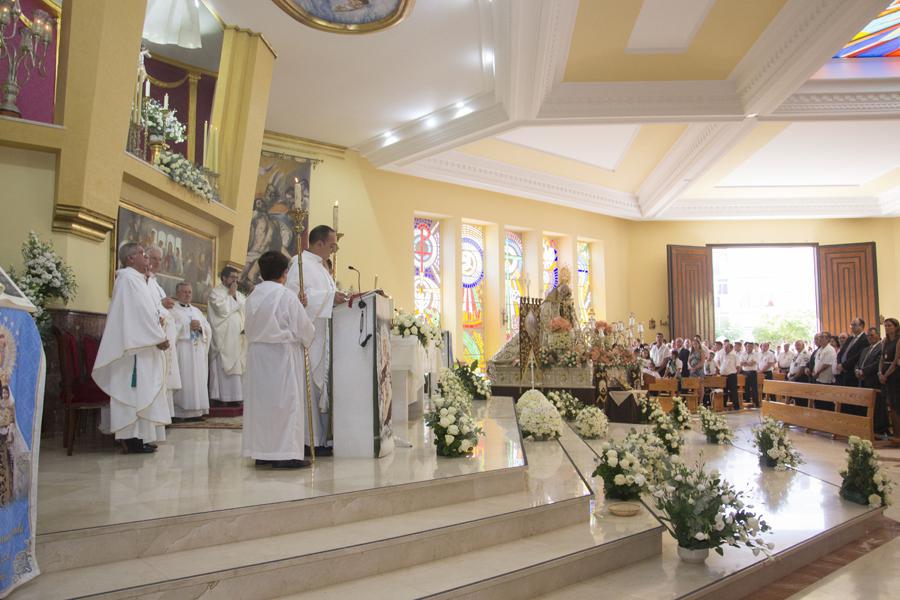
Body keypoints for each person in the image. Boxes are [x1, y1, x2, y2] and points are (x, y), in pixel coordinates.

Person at [92, 243, 171, 454]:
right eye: (143, 255)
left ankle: (141, 436)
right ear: (130, 259)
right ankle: (130, 437)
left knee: (141, 390)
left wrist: (160, 322)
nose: (147, 259)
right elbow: (137, 314)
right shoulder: (127, 279)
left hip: (143, 345)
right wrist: (157, 337)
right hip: (133, 348)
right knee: (132, 390)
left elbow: (149, 310)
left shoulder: (140, 281)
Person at [242, 251, 315, 469]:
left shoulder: (252, 296)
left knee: (261, 406)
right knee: (285, 404)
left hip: (257, 357)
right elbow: (304, 329)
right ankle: (285, 454)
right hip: (281, 356)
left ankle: (263, 452)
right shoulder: (286, 296)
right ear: (284, 273)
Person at [286, 225, 349, 456]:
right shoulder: (299, 265)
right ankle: (308, 440)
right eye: (332, 244)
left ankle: (322, 439)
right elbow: (295, 298)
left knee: (321, 389)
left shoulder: (320, 267)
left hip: (325, 336)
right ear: (319, 243)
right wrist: (330, 298)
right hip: (311, 337)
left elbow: (321, 296)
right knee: (310, 388)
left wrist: (335, 297)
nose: (335, 249)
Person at [146, 245, 180, 440]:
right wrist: (161, 304)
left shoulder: (155, 284)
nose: (157, 263)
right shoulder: (140, 282)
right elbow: (146, 308)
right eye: (153, 258)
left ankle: (157, 428)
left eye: (159, 259)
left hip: (161, 340)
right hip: (152, 341)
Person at [171, 282, 212, 420]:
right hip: (183, 350)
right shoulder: (173, 310)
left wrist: (201, 329)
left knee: (198, 378)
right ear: (178, 294)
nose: (188, 294)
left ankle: (196, 411)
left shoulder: (197, 311)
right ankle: (180, 412)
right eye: (184, 292)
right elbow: (170, 329)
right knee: (184, 378)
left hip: (197, 349)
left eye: (189, 292)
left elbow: (207, 329)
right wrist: (186, 328)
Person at [208, 267, 246, 405]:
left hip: (237, 338)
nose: (235, 280)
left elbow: (244, 310)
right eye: (232, 277)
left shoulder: (239, 295)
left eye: (236, 277)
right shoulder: (215, 293)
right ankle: (222, 398)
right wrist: (231, 294)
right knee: (223, 366)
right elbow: (222, 311)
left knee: (238, 365)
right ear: (223, 278)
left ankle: (237, 397)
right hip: (223, 339)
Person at [855, 327, 885, 435]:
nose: (870, 337)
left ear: (878, 335)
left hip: (873, 380)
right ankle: (866, 427)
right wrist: (857, 371)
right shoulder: (865, 349)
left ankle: (878, 429)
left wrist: (863, 371)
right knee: (864, 405)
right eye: (868, 336)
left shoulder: (881, 347)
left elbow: (877, 363)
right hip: (862, 381)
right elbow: (858, 363)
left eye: (872, 335)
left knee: (876, 406)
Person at [879, 318, 900, 443]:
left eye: (889, 325)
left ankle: (898, 434)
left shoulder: (898, 341)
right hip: (884, 374)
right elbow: (881, 358)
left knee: (896, 404)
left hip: (895, 374)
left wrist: (886, 374)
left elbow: (896, 361)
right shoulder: (885, 341)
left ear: (896, 327)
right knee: (889, 404)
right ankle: (894, 434)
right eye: (885, 325)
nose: (887, 328)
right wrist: (880, 372)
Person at [837, 318, 869, 387]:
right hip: (843, 371)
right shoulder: (850, 338)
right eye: (851, 325)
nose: (851, 327)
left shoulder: (865, 339)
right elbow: (841, 352)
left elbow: (858, 356)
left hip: (853, 371)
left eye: (854, 325)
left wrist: (844, 365)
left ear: (861, 326)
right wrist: (839, 363)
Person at [720, 342, 739, 410]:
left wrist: (735, 374)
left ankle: (736, 406)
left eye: (727, 348)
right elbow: (721, 364)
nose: (725, 349)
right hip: (723, 375)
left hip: (732, 375)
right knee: (724, 391)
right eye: (724, 348)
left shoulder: (734, 355)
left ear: (731, 348)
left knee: (733, 391)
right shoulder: (722, 355)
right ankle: (724, 405)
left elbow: (738, 366)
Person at [741, 341, 761, 407]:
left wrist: (745, 362)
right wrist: (747, 362)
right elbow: (741, 363)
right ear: (746, 347)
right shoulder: (743, 354)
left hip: (752, 373)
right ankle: (747, 403)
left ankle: (756, 403)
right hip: (745, 373)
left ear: (753, 347)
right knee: (746, 388)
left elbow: (752, 363)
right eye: (748, 346)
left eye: (751, 346)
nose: (749, 347)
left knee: (754, 388)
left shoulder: (756, 354)